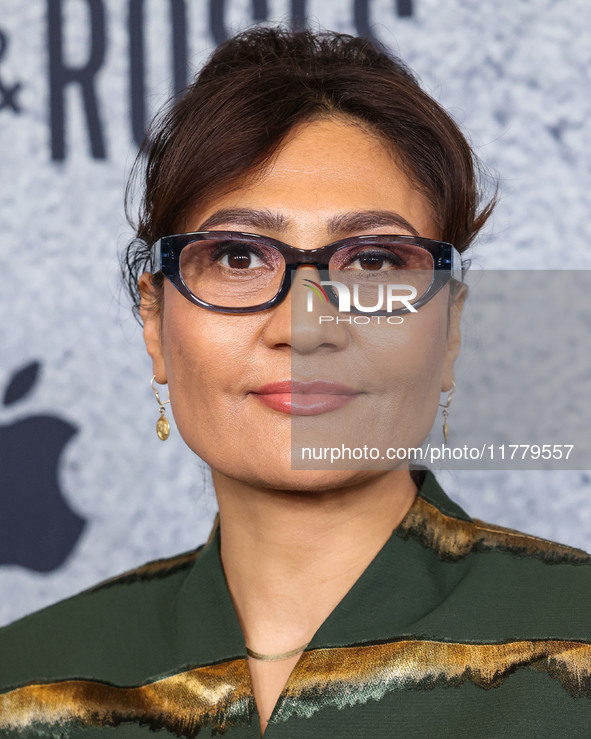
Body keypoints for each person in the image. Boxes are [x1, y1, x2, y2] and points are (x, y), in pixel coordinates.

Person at [1, 24, 590, 739]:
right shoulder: (26, 685)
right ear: (156, 323)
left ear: (449, 331)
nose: (305, 325)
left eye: (372, 263)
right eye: (239, 257)